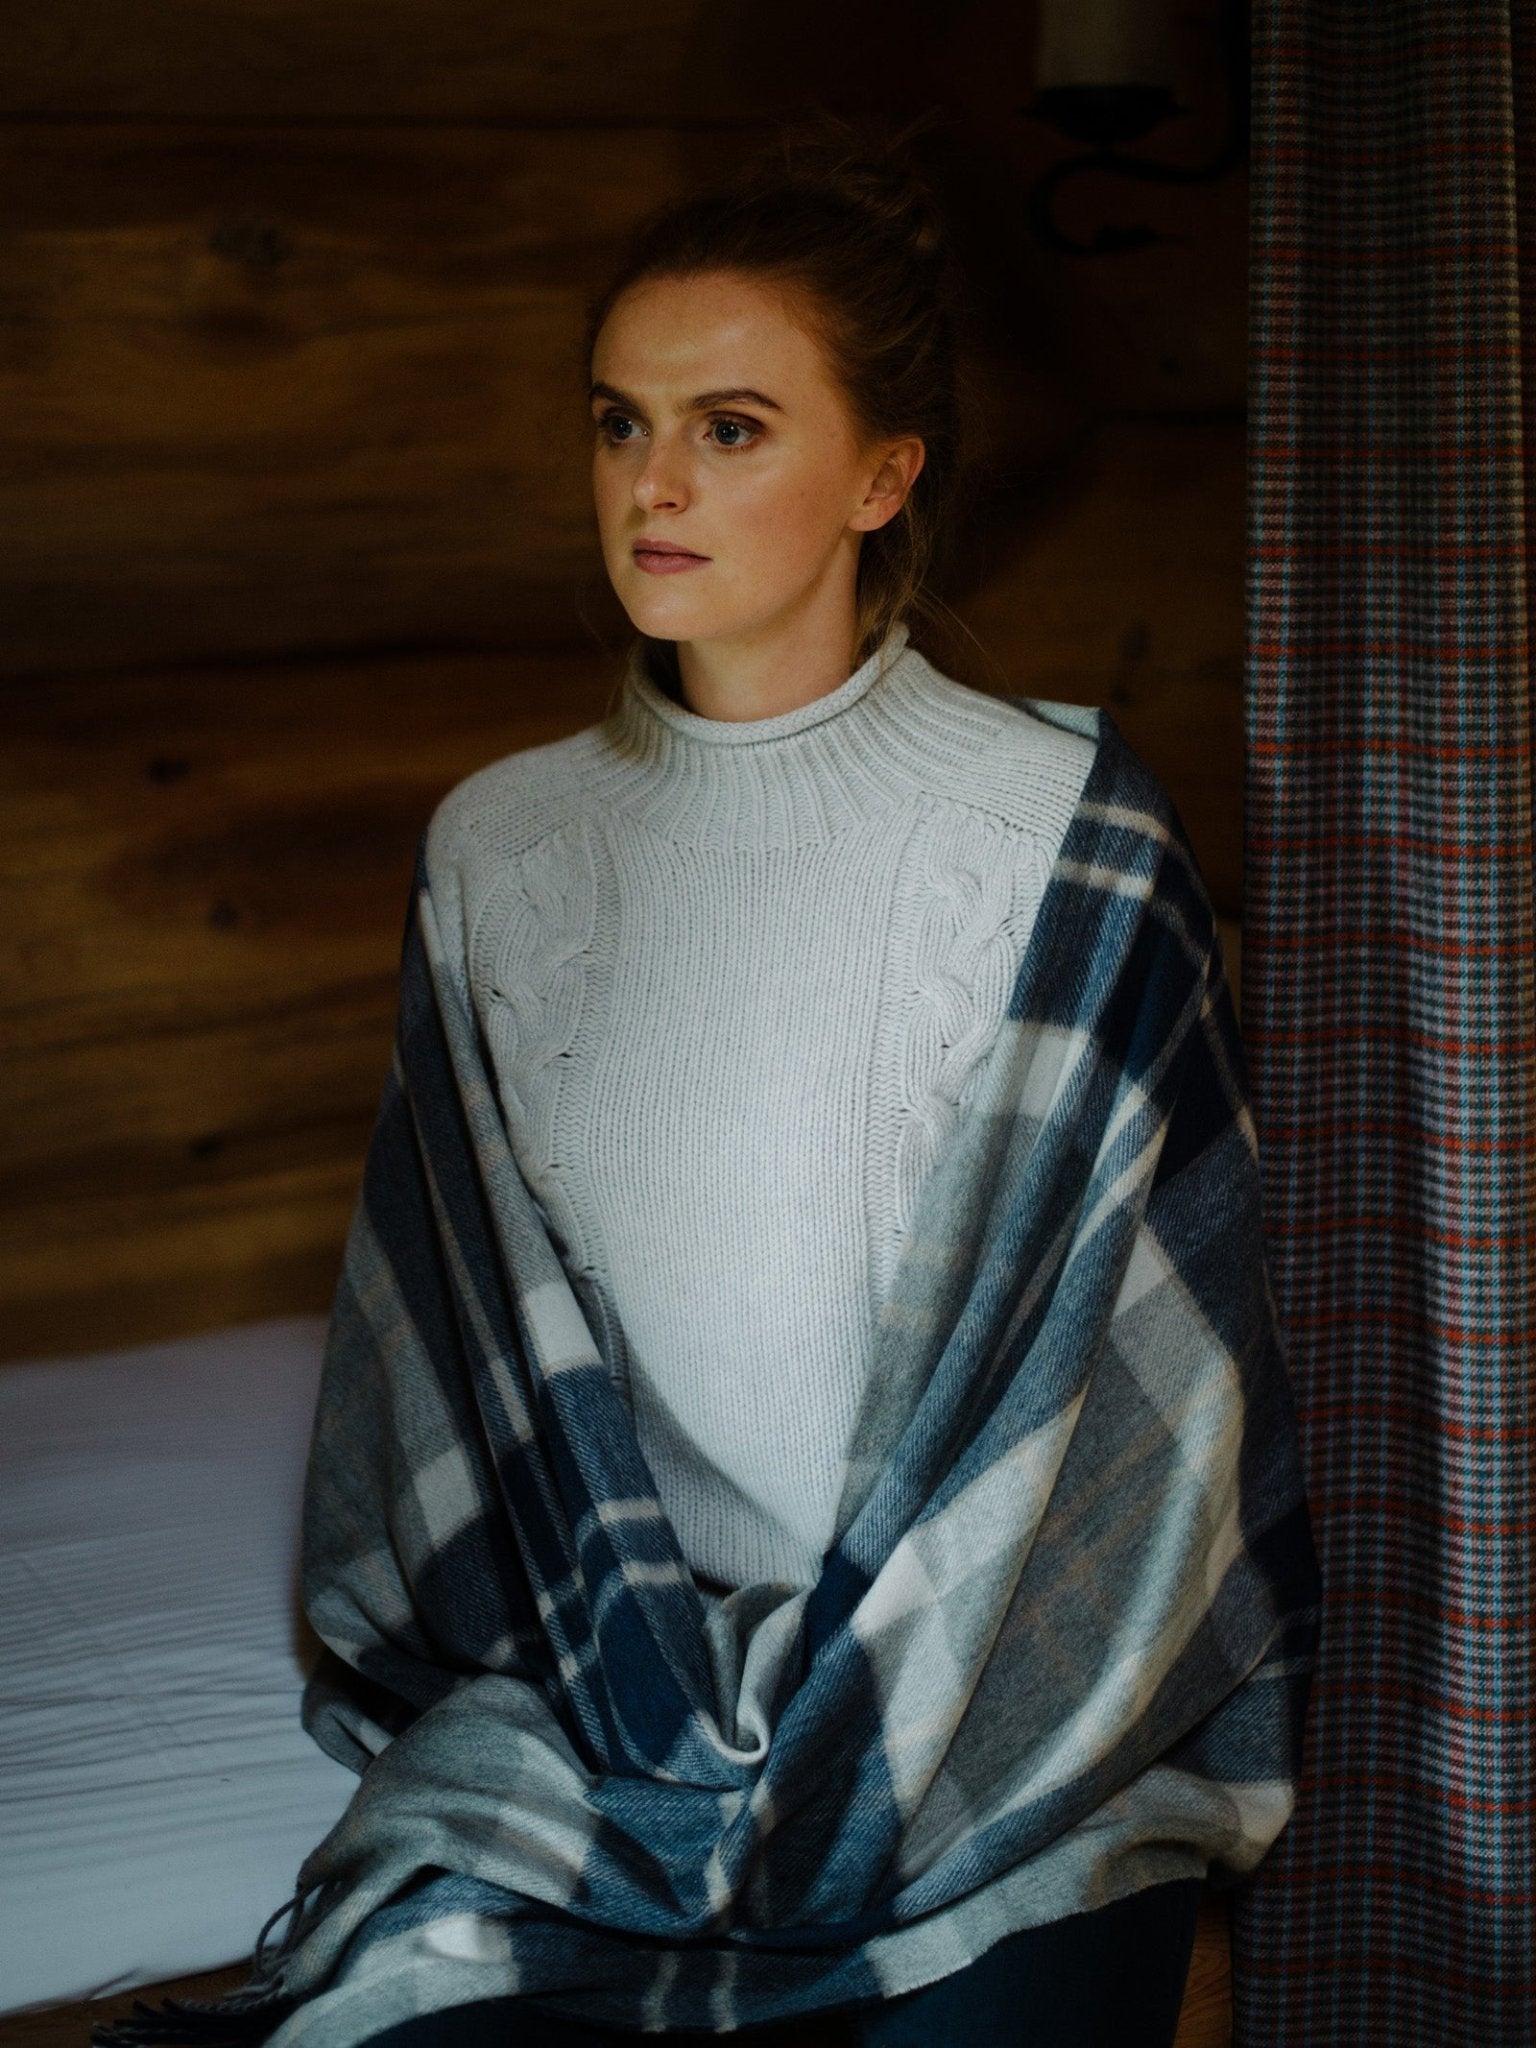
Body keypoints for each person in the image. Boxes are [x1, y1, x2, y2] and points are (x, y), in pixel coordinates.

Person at [95, 107, 1316, 2048]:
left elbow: (1146, 1406)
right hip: (622, 1676)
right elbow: (465, 1350)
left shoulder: (1071, 833)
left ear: (882, 473)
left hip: (1000, 1695)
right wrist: (659, 1683)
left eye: (730, 425)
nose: (653, 481)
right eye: (617, 421)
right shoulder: (500, 848)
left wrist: (889, 1696)